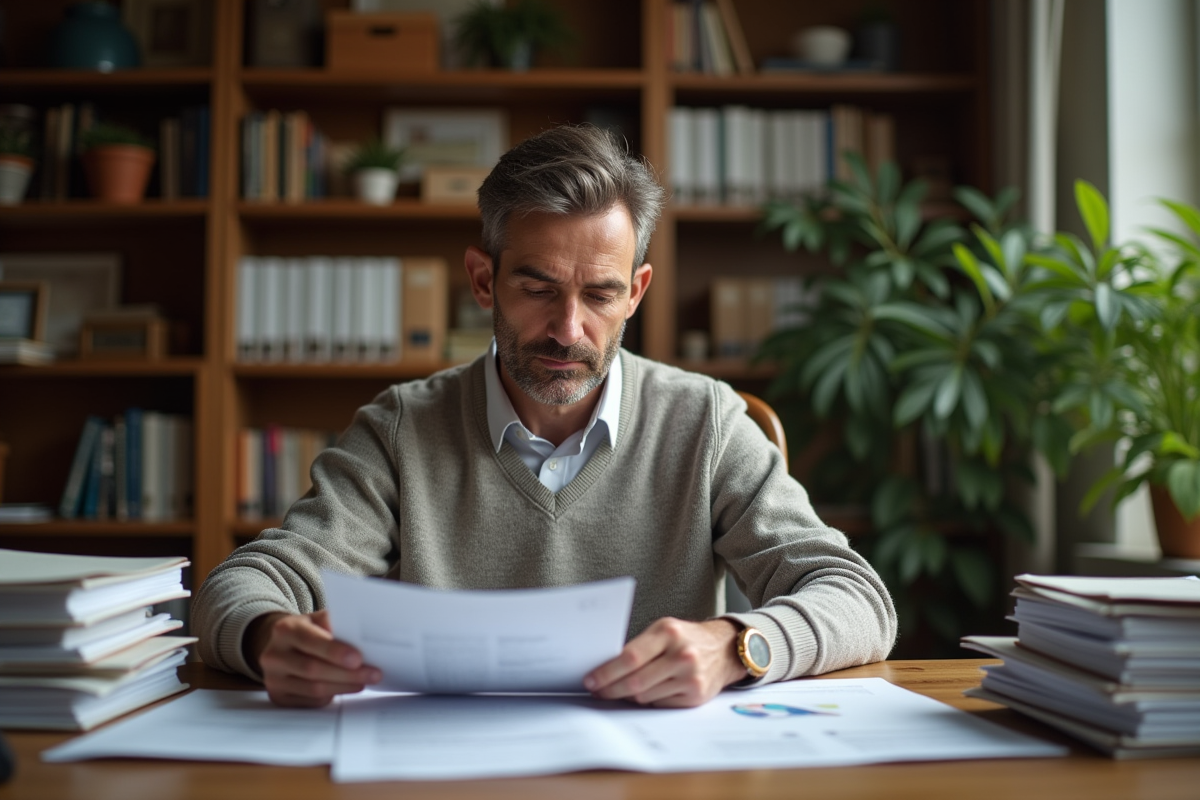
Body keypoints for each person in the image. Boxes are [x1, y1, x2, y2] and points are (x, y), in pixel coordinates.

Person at [193, 124, 896, 709]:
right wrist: (267, 636)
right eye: (538, 288)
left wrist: (739, 645)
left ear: (636, 293)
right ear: (483, 280)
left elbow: (859, 599)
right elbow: (239, 586)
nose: (568, 329)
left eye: (600, 295)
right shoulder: (403, 429)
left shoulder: (705, 423)